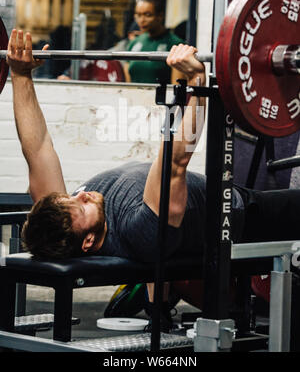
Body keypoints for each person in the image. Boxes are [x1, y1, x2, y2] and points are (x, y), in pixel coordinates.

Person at [6, 29, 300, 339]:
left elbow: (37, 148)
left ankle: (157, 302)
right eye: (82, 206)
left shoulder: (65, 212)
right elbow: (177, 162)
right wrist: (198, 83)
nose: (83, 195)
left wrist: (20, 73)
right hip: (241, 216)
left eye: (73, 197)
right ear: (89, 243)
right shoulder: (139, 230)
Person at [124, 0, 184, 84]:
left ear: (160, 16)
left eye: (147, 15)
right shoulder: (134, 43)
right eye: (138, 15)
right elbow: (128, 82)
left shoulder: (176, 44)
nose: (141, 20)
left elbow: (177, 88)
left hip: (160, 97)